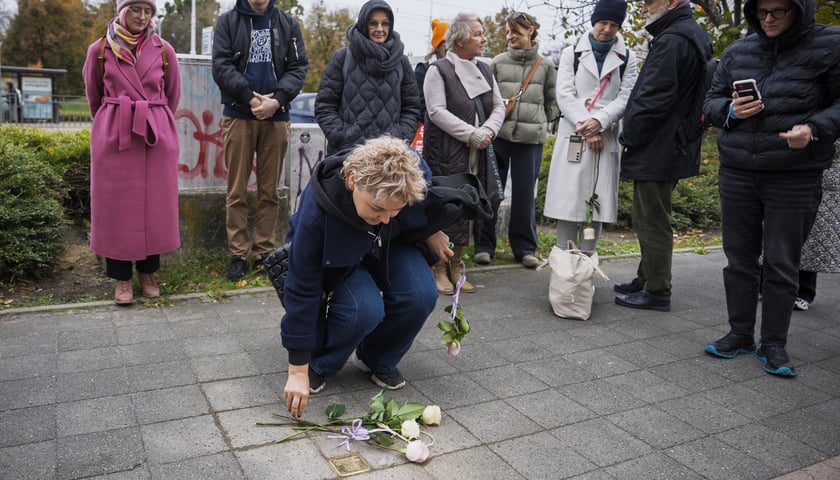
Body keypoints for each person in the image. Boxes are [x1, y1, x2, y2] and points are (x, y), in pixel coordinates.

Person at [280, 136, 493, 418]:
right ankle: (322, 364)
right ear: (353, 180)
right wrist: (297, 369)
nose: (386, 218)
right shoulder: (317, 212)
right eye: (378, 208)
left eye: (396, 210)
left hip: (387, 245)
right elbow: (301, 287)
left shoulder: (410, 178)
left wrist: (430, 230)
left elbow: (417, 208)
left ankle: (377, 357)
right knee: (364, 308)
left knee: (421, 293)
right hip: (338, 258)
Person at [703, 0, 840, 376]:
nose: (768, 19)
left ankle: (774, 344)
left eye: (778, 11)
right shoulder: (739, 50)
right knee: (739, 259)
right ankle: (739, 334)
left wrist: (813, 129)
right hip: (738, 171)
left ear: (799, 9)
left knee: (781, 263)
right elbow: (711, 100)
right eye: (762, 12)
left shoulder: (831, 45)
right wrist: (730, 112)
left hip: (794, 174)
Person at [612, 0, 712, 312]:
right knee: (653, 215)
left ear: (670, 2)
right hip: (675, 141)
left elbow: (654, 97)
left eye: (649, 1)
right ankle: (646, 278)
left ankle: (657, 291)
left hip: (659, 144)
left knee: (651, 219)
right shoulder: (690, 33)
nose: (643, 7)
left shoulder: (672, 39)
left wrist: (629, 135)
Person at [82, 0, 181, 305]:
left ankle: (148, 273)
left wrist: (157, 121)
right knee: (115, 208)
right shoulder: (100, 49)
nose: (142, 16)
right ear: (122, 11)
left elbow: (172, 95)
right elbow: (94, 96)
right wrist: (111, 123)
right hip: (116, 134)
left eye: (147, 10)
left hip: (154, 135)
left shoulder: (164, 50)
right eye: (135, 9)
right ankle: (121, 278)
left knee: (154, 207)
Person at [212, 0, 308, 281]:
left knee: (270, 191)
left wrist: (277, 100)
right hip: (238, 114)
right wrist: (250, 98)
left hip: (276, 116)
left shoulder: (287, 23)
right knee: (237, 191)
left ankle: (263, 252)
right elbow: (221, 65)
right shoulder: (227, 22)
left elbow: (298, 67)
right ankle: (238, 255)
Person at [544, 0, 636, 255]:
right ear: (594, 21)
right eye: (603, 22)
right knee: (568, 201)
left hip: (605, 134)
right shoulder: (571, 53)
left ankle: (586, 258)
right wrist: (588, 126)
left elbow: (626, 96)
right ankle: (564, 258)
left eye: (614, 25)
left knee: (596, 205)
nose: (607, 29)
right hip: (575, 133)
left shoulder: (628, 58)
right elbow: (564, 94)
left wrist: (600, 122)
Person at [423, 12, 505, 294]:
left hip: (478, 153)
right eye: (478, 33)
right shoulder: (439, 70)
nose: (484, 39)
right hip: (446, 153)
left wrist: (488, 130)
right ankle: (437, 267)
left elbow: (498, 106)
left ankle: (456, 265)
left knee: (469, 206)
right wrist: (471, 134)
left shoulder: (485, 70)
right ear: (459, 39)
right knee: (445, 207)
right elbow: (436, 111)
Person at [475, 12, 559, 269]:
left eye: (516, 31)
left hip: (530, 141)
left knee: (524, 196)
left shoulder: (546, 66)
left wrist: (537, 121)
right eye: (508, 32)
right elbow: (484, 99)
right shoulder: (497, 63)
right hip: (498, 136)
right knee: (492, 192)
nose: (510, 36)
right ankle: (484, 246)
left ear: (530, 30)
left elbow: (552, 103)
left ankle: (525, 248)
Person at [315, 0, 421, 156]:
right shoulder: (343, 58)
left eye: (385, 24)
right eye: (373, 23)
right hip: (348, 155)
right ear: (364, 24)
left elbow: (411, 108)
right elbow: (325, 105)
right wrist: (343, 137)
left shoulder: (401, 62)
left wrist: (398, 139)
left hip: (389, 156)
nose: (380, 29)